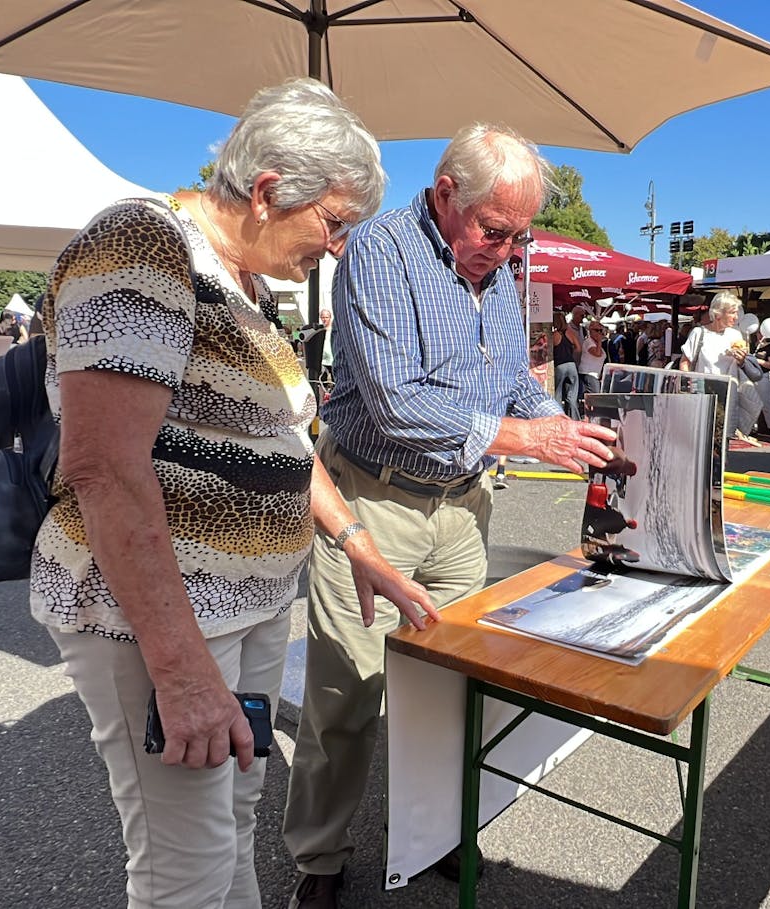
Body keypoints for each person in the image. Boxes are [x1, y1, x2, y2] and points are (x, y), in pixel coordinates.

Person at [31, 78, 430, 909]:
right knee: (187, 863)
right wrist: (176, 667)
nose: (340, 247)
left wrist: (360, 547)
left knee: (233, 821)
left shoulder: (244, 286)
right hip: (164, 616)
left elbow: (279, 441)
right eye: (335, 222)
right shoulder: (142, 241)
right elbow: (103, 465)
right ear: (269, 189)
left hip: (244, 607)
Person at [286, 122, 615, 909]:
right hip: (370, 500)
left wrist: (563, 426)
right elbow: (399, 402)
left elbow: (512, 383)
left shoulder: (501, 272)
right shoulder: (379, 251)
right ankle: (320, 859)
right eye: (493, 231)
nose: (504, 251)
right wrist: (529, 435)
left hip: (463, 506)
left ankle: (433, 830)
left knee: (453, 688)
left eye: (517, 236)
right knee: (347, 695)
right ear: (444, 195)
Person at [680, 291, 762, 441]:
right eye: (732, 313)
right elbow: (685, 362)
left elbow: (743, 366)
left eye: (736, 313)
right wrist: (688, 388)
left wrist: (742, 360)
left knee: (723, 442)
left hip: (728, 397)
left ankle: (720, 464)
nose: (736, 317)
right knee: (700, 439)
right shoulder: (699, 333)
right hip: (702, 396)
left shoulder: (735, 336)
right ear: (718, 314)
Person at [550, 308, 582, 418]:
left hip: (559, 365)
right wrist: (572, 356)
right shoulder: (570, 333)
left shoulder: (554, 335)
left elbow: (549, 352)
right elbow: (578, 348)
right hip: (571, 365)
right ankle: (574, 418)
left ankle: (559, 417)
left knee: (557, 394)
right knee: (572, 396)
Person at [578, 317, 609, 403]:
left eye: (601, 330)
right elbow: (597, 354)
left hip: (595, 375)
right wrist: (599, 341)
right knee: (596, 398)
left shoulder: (596, 343)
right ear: (590, 330)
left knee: (596, 397)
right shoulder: (589, 342)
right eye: (596, 330)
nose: (599, 333)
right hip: (588, 373)